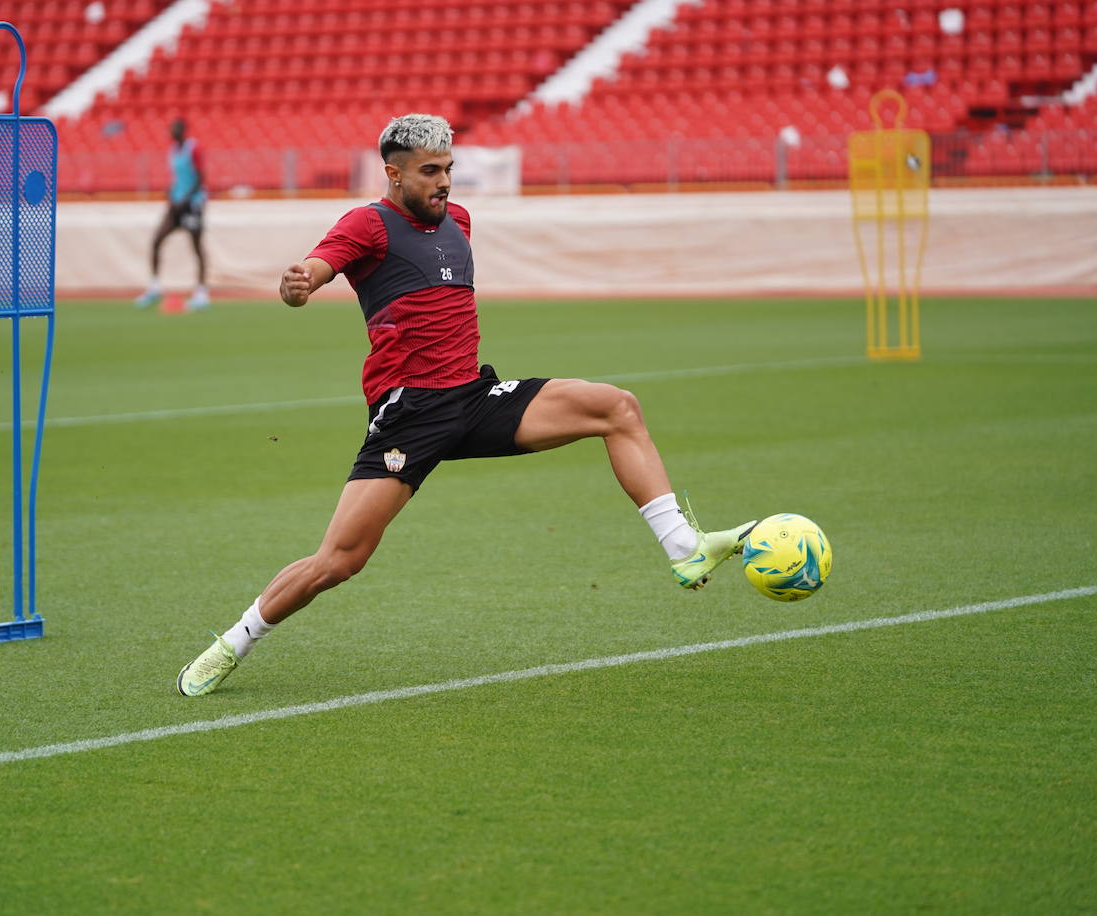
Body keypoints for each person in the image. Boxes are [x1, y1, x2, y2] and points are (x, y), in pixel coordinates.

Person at [176, 113, 753, 697]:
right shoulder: (367, 224)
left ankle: (684, 550)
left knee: (616, 407)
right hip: (410, 416)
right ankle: (233, 643)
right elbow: (316, 269)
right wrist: (298, 283)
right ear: (393, 175)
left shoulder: (460, 221)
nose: (444, 181)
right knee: (339, 561)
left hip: (474, 397)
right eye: (430, 171)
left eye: (449, 169)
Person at [135, 118, 210, 311]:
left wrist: (186, 198)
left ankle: (201, 291)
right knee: (157, 239)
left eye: (175, 129)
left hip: (192, 203)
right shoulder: (172, 151)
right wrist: (171, 192)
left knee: (196, 246)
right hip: (176, 204)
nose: (172, 133)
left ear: (183, 130)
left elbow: (200, 177)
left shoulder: (193, 149)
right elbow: (179, 177)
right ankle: (154, 287)